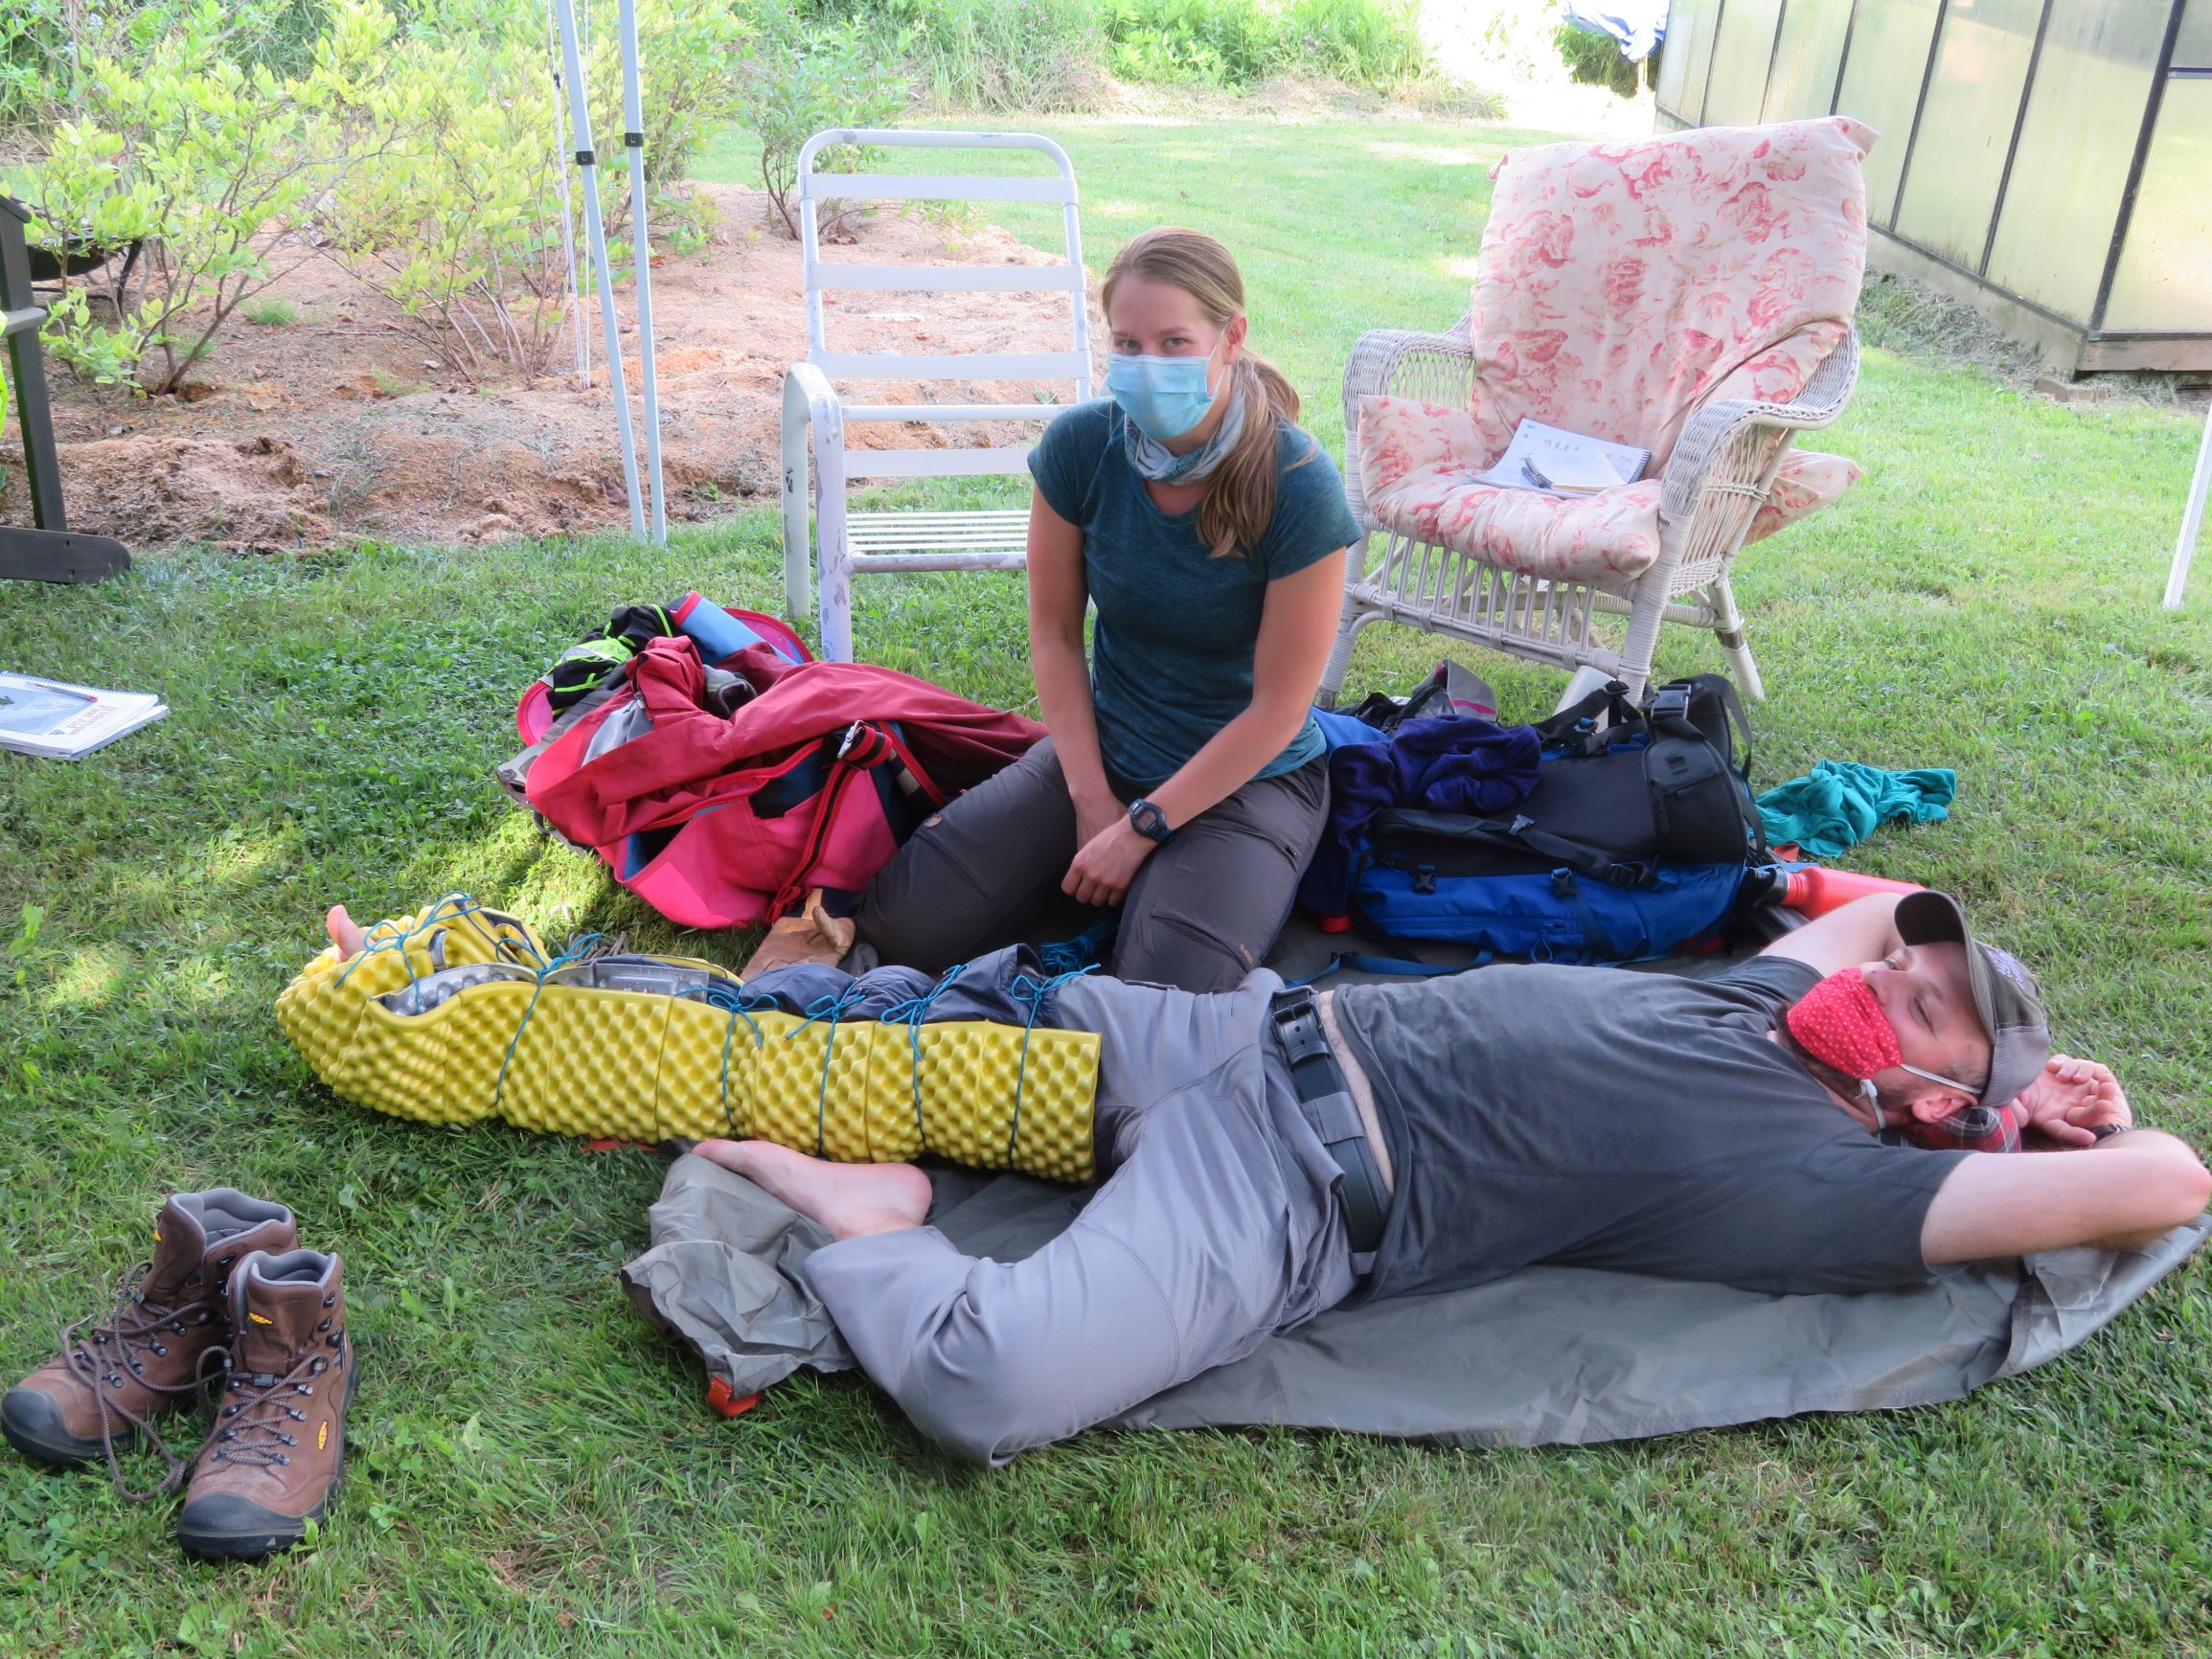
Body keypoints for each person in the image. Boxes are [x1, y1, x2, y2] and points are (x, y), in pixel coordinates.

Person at [695, 891, 2210, 1466]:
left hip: (1287, 1185)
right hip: (1248, 1028)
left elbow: (2174, 1181)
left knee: (988, 1384)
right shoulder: (1765, 1000)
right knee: (866, 1021)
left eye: (1926, 1006)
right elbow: (1874, 903)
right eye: (1912, 969)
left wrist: (2057, 1121)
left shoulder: (1838, 1179)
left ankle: (872, 1219)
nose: (1890, 977)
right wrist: (1908, 970)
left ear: (1941, 1100)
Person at [854, 227, 1364, 993]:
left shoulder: (1297, 483)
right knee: (900, 925)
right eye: (1128, 342)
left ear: (1231, 338)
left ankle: (1182, 891)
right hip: (1106, 747)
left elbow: (1279, 710)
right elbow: (1055, 636)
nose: (1148, 365)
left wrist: (1143, 827)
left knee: (1158, 1001)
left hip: (1246, 777)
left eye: (1174, 341)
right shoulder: (1080, 447)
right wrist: (1092, 800)